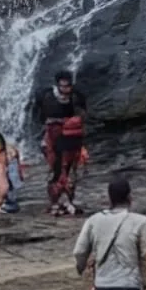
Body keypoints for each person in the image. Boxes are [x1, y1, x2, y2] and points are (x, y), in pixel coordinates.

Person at [37, 72, 89, 216]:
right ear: (58, 85)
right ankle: (54, 202)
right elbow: (42, 116)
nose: (66, 89)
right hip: (53, 140)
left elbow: (83, 115)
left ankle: (69, 200)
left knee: (71, 172)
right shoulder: (47, 96)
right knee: (56, 171)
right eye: (63, 86)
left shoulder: (76, 97)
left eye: (68, 85)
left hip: (73, 139)